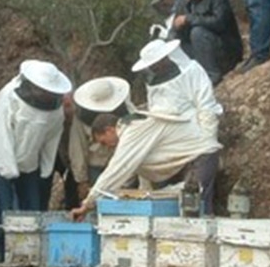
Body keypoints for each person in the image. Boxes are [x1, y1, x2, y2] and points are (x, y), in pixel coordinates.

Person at [0, 60, 72, 259]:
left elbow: (52, 139)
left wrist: (46, 168)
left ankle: (30, 256)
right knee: (7, 210)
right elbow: (0, 136)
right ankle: (6, 256)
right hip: (0, 160)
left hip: (30, 163)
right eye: (45, 91)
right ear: (33, 86)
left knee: (33, 210)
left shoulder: (55, 108)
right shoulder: (9, 97)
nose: (48, 95)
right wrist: (9, 170)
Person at [70, 111, 222, 220]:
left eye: (104, 141)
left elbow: (117, 169)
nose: (107, 147)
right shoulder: (133, 129)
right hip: (186, 160)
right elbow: (131, 172)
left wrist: (88, 203)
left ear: (109, 130)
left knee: (198, 209)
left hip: (201, 155)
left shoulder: (132, 132)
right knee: (184, 210)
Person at [167, 0, 243, 85]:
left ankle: (212, 75)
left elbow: (220, 23)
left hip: (225, 51)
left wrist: (189, 19)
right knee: (173, 43)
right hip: (198, 53)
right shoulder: (183, 3)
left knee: (198, 32)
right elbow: (173, 33)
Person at [132, 39, 222, 140]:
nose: (154, 68)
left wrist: (208, 137)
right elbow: (154, 110)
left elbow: (206, 105)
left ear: (166, 58)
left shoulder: (191, 71)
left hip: (190, 125)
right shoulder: (154, 82)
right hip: (163, 130)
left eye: (157, 63)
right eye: (152, 66)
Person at [65, 77, 132, 202]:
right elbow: (77, 149)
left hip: (122, 165)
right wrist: (82, 180)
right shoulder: (81, 117)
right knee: (95, 203)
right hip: (96, 167)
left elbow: (132, 148)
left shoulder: (126, 111)